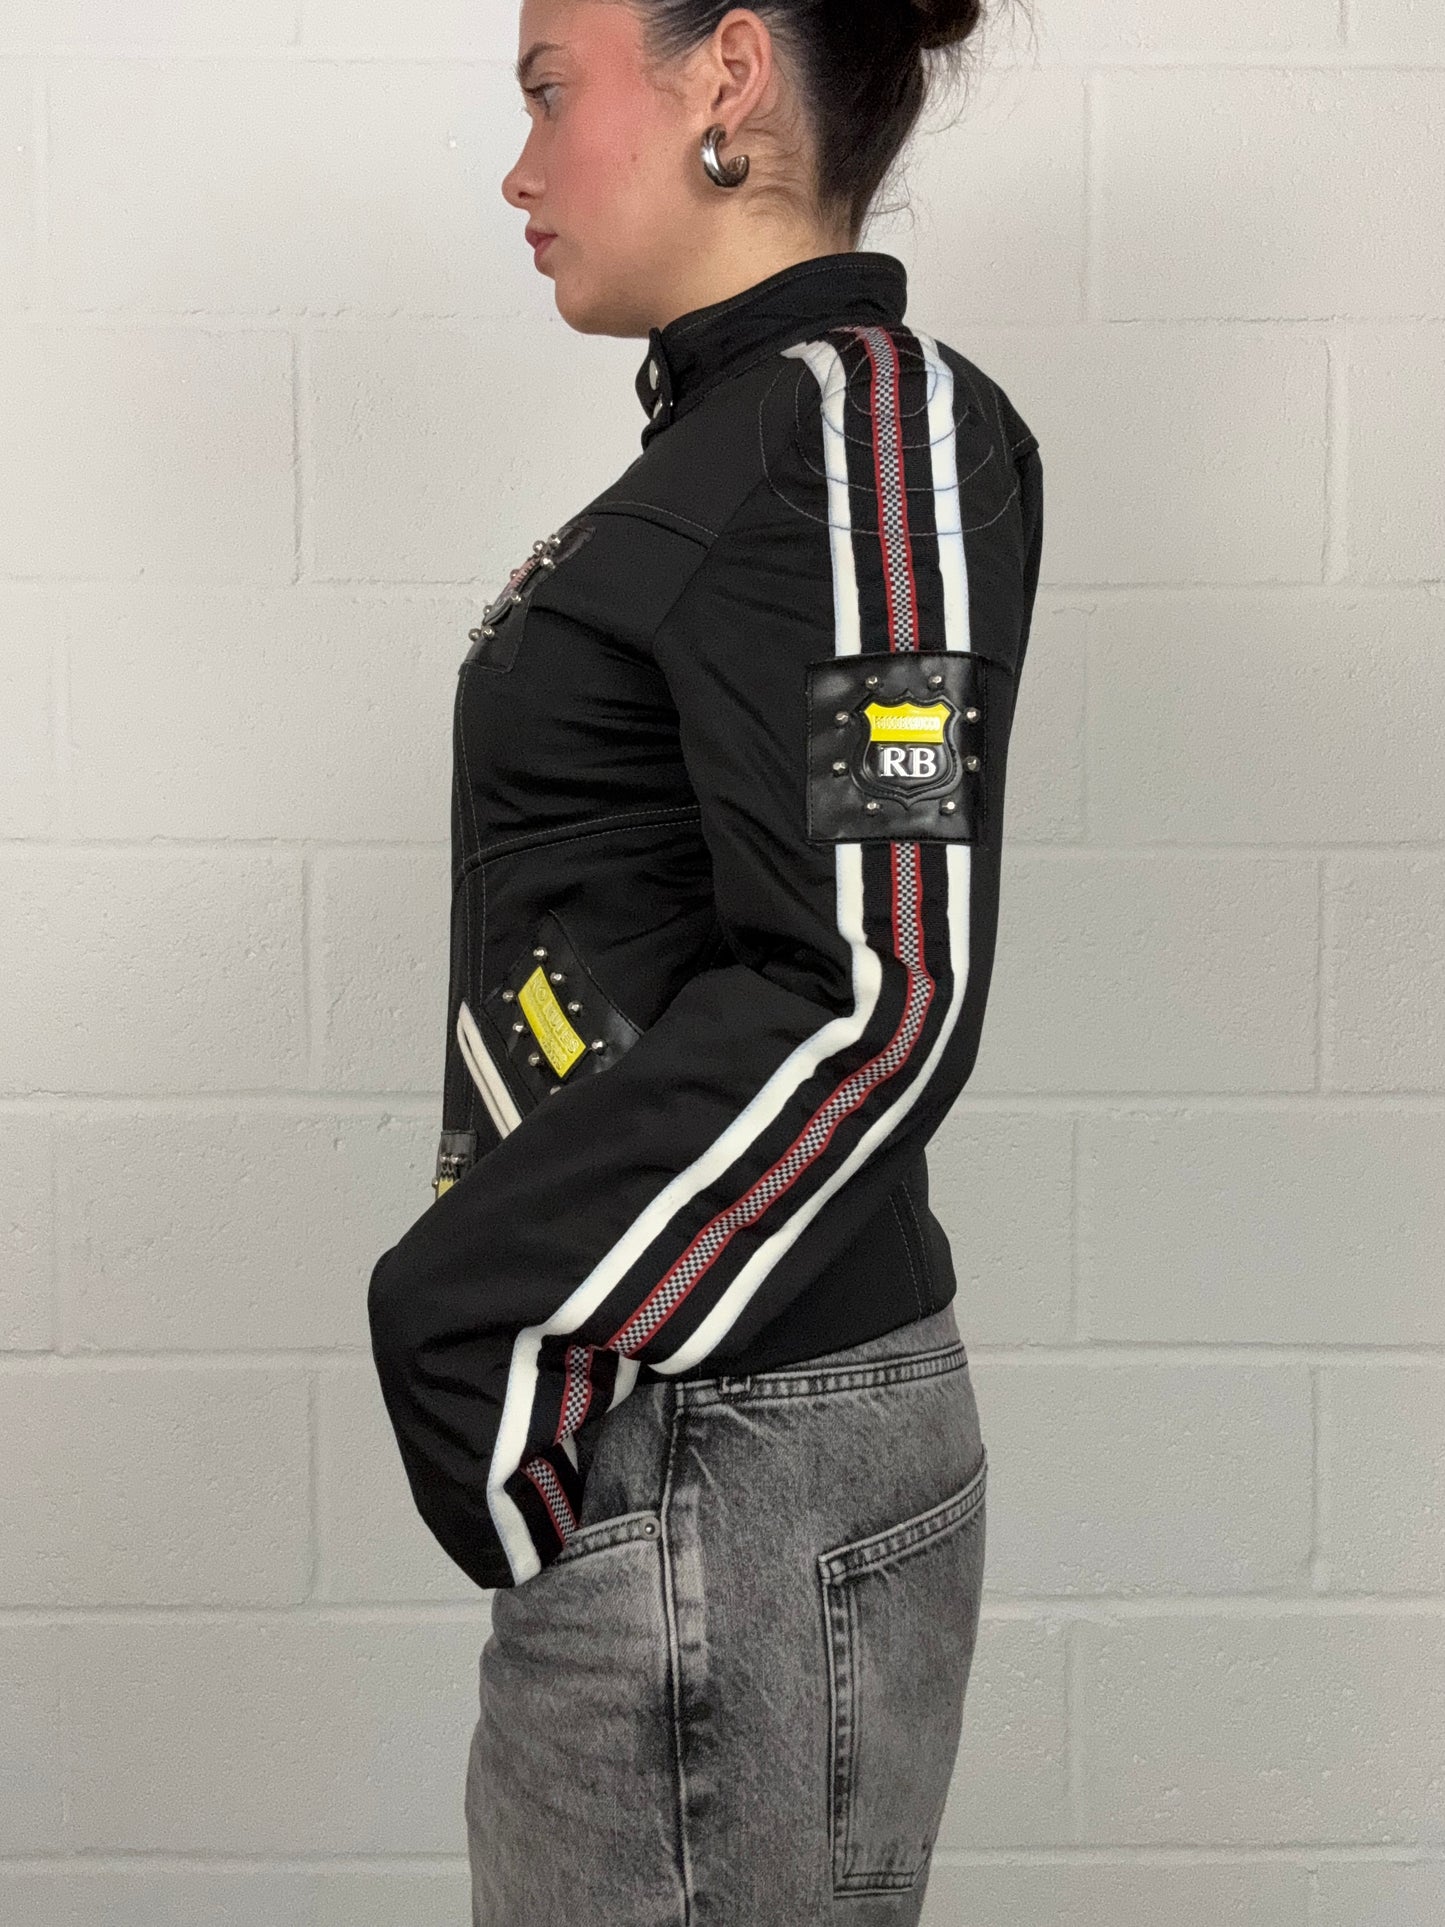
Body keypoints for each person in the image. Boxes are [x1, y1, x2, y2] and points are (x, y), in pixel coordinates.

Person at [366, 1, 1042, 1919]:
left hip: (729, 1455)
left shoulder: (861, 427)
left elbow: (877, 988)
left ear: (725, 76)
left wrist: (461, 1301)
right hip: (677, 1435)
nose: (519, 169)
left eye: (546, 91)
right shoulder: (742, 437)